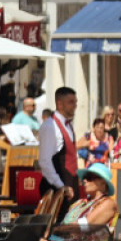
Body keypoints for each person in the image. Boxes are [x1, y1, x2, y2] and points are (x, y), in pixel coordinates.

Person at [38, 87, 79, 222]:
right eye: (71, 102)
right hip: (57, 189)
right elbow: (45, 162)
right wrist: (61, 186)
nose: (75, 106)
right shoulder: (50, 126)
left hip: (68, 186)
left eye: (75, 102)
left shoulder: (68, 125)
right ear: (60, 104)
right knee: (56, 231)